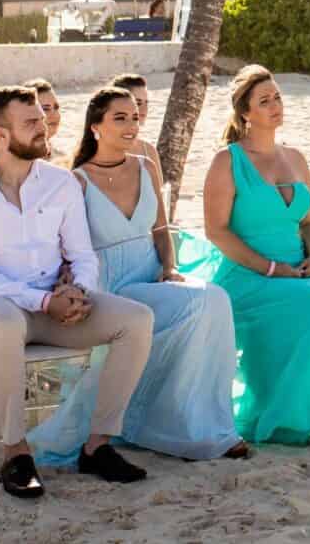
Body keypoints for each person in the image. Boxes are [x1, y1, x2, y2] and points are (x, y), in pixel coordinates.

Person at [0, 85, 155, 499]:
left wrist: (79, 292)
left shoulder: (61, 183)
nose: (44, 129)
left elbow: (82, 254)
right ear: (1, 136)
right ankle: (15, 452)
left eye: (42, 119)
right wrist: (44, 301)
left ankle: (98, 445)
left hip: (57, 309)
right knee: (5, 322)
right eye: (31, 123)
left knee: (137, 320)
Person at [30, 88, 249, 464]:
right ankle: (174, 425)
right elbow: (62, 246)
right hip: (109, 287)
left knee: (214, 301)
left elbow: (161, 230)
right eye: (120, 118)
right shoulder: (77, 181)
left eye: (134, 117)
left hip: (150, 277)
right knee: (204, 302)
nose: (132, 125)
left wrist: (170, 268)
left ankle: (200, 424)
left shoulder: (147, 165)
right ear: (96, 127)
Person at [192, 66, 310, 450]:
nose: (275, 105)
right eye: (265, 101)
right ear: (245, 113)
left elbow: (309, 221)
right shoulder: (226, 162)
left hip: (297, 271)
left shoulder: (295, 157)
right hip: (247, 275)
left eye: (277, 97)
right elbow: (217, 232)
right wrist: (271, 268)